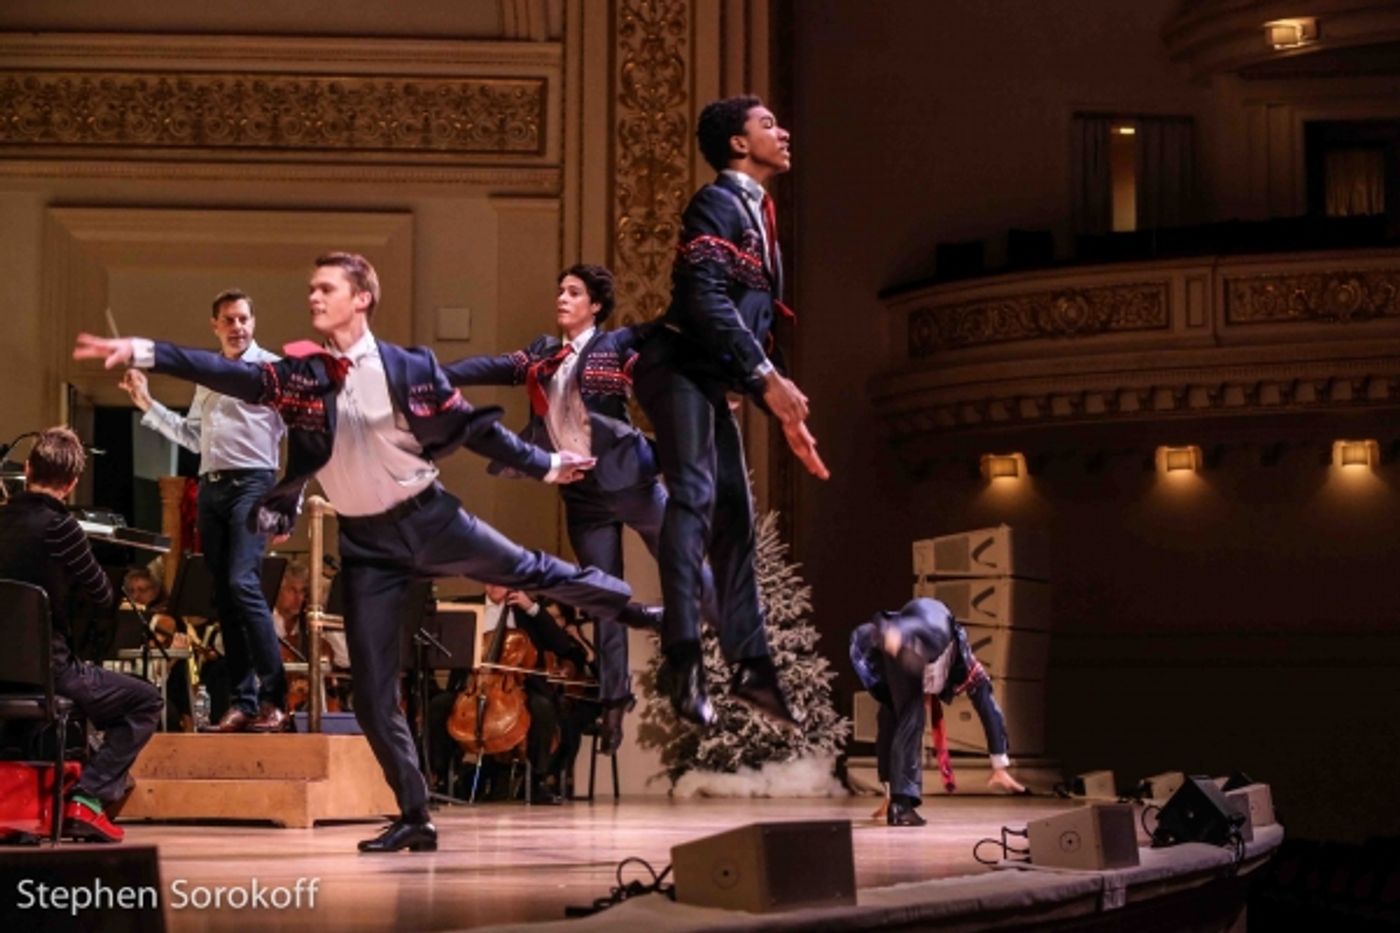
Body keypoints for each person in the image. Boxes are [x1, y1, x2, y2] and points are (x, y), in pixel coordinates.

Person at [73, 251, 658, 854]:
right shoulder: (303, 375)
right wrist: (148, 351)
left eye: (326, 288)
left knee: (527, 569)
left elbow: (477, 430)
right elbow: (229, 374)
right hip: (368, 546)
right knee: (376, 696)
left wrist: (548, 463)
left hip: (428, 517)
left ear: (362, 298)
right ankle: (416, 815)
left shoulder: (409, 367)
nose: (313, 296)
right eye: (311, 287)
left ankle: (633, 610)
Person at [443, 263, 716, 753]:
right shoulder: (543, 352)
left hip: (629, 482)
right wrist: (435, 376)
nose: (562, 298)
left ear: (596, 305)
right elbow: (494, 367)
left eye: (574, 292)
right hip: (582, 492)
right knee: (601, 594)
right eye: (560, 291)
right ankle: (613, 702)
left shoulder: (613, 346)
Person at [632, 95, 828, 728]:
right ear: (739, 144)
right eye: (769, 124)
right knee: (693, 497)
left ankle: (753, 669)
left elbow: (750, 321)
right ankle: (683, 662)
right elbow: (703, 299)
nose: (784, 130)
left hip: (707, 379)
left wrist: (780, 401)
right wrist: (766, 380)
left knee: (735, 518)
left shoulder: (758, 213)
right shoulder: (716, 203)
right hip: (676, 367)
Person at [119, 289, 289, 734]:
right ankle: (244, 702)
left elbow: (307, 435)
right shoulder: (208, 376)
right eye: (228, 320)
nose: (237, 327)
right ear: (215, 325)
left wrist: (288, 500)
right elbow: (193, 437)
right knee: (225, 599)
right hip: (212, 488)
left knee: (242, 583)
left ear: (254, 322)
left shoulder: (273, 370)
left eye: (243, 319)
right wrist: (147, 402)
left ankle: (274, 697)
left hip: (254, 483)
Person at [0, 427, 163, 842]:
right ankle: (87, 800)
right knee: (145, 700)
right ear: (72, 484)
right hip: (49, 672)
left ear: (28, 469)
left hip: (4, 671)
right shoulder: (62, 529)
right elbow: (102, 594)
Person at [850, 598, 1025, 827]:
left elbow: (988, 707)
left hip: (921, 637)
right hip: (916, 629)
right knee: (907, 715)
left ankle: (899, 803)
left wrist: (999, 765)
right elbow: (887, 730)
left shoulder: (965, 667)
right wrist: (892, 634)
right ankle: (901, 807)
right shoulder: (926, 636)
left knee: (903, 714)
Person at [426, 585, 590, 805]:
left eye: (500, 580)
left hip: (518, 687)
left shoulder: (527, 612)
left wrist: (531, 608)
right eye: (489, 579)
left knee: (542, 707)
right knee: (438, 706)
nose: (494, 585)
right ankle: (442, 778)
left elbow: (560, 645)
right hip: (472, 686)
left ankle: (538, 780)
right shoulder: (468, 607)